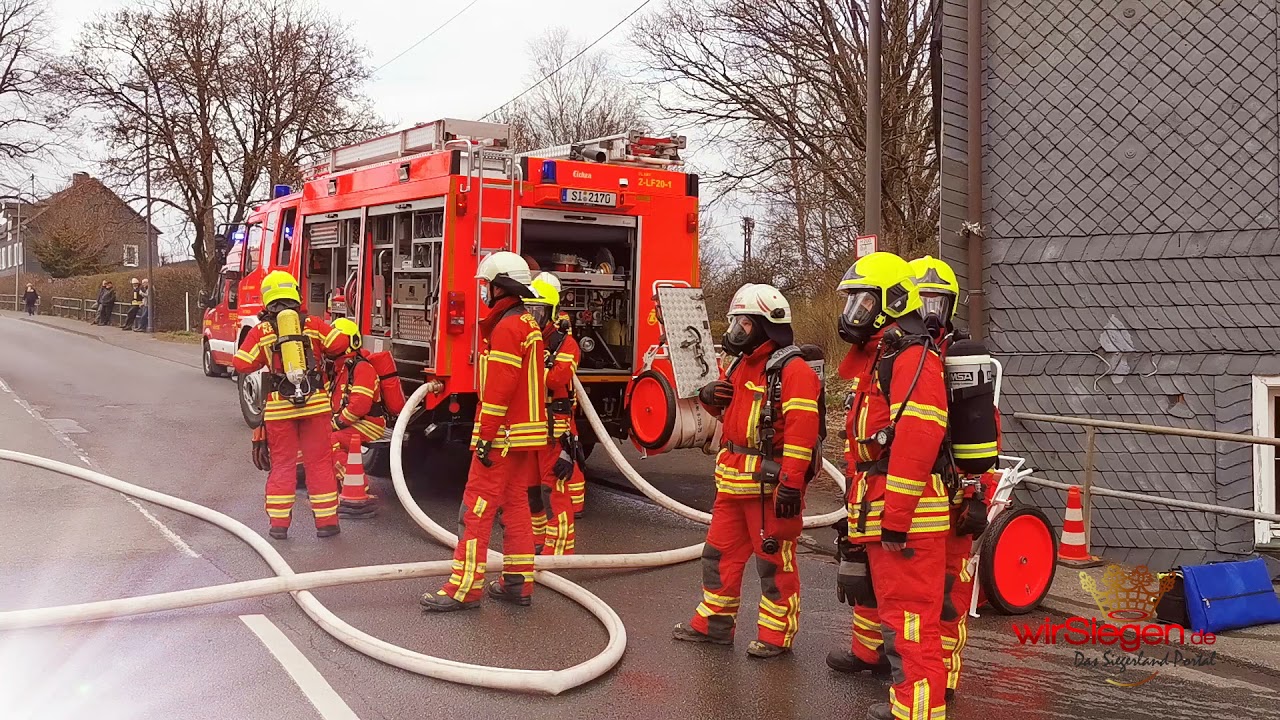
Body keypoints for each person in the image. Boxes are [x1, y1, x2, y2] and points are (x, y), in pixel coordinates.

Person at [672, 283, 822, 658]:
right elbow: (736, 420)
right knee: (718, 555)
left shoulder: (794, 370)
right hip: (733, 483)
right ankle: (714, 625)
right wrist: (710, 399)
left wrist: (790, 484)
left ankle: (776, 635)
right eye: (735, 322)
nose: (736, 330)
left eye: (743, 323)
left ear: (765, 325)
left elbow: (802, 435)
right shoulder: (741, 364)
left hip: (769, 488)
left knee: (773, 561)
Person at [831, 252, 950, 720]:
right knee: (898, 618)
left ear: (893, 301)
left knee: (913, 622)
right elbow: (865, 445)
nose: (854, 312)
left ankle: (918, 712)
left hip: (908, 517)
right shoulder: (887, 356)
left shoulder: (912, 358)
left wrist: (895, 519)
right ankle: (912, 706)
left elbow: (917, 443)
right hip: (883, 509)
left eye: (862, 300)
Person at [420, 251, 546, 611]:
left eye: (487, 286)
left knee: (475, 510)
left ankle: (465, 587)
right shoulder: (527, 322)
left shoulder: (507, 327)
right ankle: (518, 582)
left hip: (503, 436)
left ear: (500, 285)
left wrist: (486, 436)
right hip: (525, 436)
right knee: (517, 505)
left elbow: (500, 390)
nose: (484, 292)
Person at [909, 255, 997, 703]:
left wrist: (977, 494)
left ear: (950, 305)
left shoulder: (963, 358)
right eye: (921, 299)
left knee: (949, 588)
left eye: (936, 301)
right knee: (908, 590)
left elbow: (983, 430)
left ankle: (944, 677)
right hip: (909, 491)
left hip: (955, 488)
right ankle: (908, 671)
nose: (928, 311)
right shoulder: (897, 355)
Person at [233, 270, 350, 539]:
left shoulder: (262, 331)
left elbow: (241, 362)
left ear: (267, 298)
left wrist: (267, 351)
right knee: (319, 463)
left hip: (279, 409)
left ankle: (279, 525)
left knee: (283, 465)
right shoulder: (312, 324)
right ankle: (327, 523)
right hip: (316, 406)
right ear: (296, 295)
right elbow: (339, 344)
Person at [528, 273, 579, 555]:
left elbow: (555, 379)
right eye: (530, 310)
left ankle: (559, 550)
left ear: (552, 312)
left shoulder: (565, 344)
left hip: (554, 427)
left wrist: (538, 369)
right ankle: (538, 541)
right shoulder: (532, 341)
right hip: (531, 424)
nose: (534, 317)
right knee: (531, 489)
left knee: (552, 489)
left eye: (540, 311)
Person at [328, 317, 385, 517]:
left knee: (330, 441)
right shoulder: (341, 368)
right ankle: (333, 485)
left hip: (369, 423)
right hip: (353, 420)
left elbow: (359, 406)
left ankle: (358, 487)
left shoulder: (361, 368)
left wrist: (335, 423)